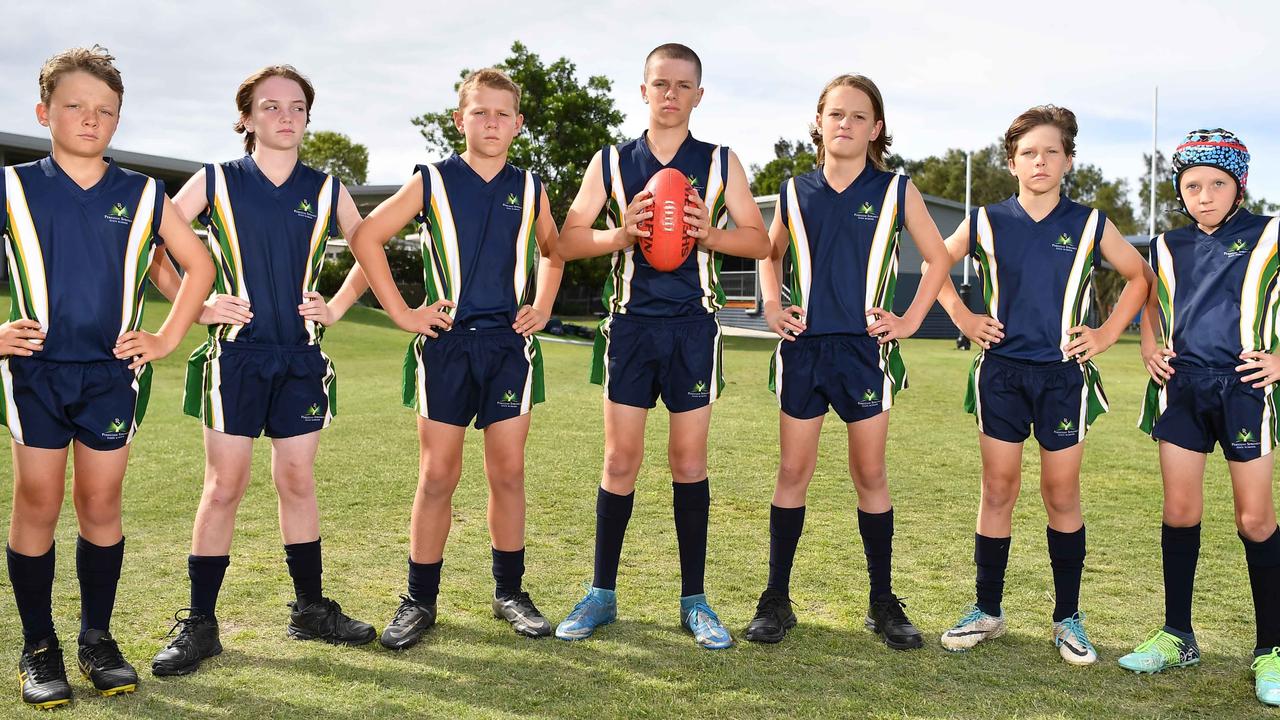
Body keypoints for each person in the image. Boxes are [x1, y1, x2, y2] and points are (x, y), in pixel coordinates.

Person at [0, 46, 214, 707]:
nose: (90, 119)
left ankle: (97, 638)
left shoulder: (144, 194)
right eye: (75, 106)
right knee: (37, 502)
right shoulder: (13, 186)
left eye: (105, 110)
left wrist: (167, 336)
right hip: (35, 371)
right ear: (44, 111)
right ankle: (39, 647)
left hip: (110, 377)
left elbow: (198, 268)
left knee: (100, 505)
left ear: (118, 119)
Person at [149, 65, 375, 677]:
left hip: (300, 357)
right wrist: (194, 307)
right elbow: (150, 244)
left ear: (308, 116)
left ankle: (309, 608)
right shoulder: (217, 181)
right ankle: (199, 623)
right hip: (237, 357)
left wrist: (338, 305)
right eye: (269, 106)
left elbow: (369, 248)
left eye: (296, 106)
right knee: (224, 485)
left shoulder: (327, 189)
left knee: (297, 481)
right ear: (245, 117)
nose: (284, 116)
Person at [553, 43, 769, 650]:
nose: (670, 94)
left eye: (682, 85)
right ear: (642, 91)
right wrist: (621, 232)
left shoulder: (722, 162)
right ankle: (601, 593)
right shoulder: (612, 163)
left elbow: (760, 242)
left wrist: (710, 233)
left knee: (688, 463)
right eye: (659, 84)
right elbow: (566, 241)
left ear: (699, 95)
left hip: (693, 329)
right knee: (620, 462)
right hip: (630, 327)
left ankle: (695, 600)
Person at [348, 68, 563, 649]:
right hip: (446, 346)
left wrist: (541, 304)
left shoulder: (532, 186)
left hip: (507, 348)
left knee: (509, 472)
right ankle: (419, 600)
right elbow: (366, 237)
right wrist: (401, 312)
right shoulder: (432, 181)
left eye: (502, 114)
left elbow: (555, 250)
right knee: (438, 474)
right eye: (479, 112)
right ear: (459, 119)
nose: (491, 123)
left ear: (518, 124)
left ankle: (510, 592)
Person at [932, 106, 1149, 664]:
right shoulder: (985, 219)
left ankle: (1067, 618)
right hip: (1001, 374)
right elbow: (936, 264)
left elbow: (1139, 277)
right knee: (998, 490)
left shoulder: (1090, 222)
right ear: (1012, 163)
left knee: (1061, 494)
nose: (1041, 161)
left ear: (1068, 161)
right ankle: (987, 610)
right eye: (1029, 152)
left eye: (1052, 151)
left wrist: (1103, 334)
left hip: (1062, 378)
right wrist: (962, 316)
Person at [743, 74, 950, 649]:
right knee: (792, 473)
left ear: (876, 128)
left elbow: (938, 259)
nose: (846, 125)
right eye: (836, 114)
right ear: (818, 121)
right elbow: (770, 252)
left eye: (859, 117)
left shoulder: (897, 190)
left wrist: (908, 321)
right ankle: (776, 600)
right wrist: (770, 302)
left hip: (864, 352)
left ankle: (883, 603)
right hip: (805, 350)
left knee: (870, 475)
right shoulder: (792, 190)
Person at [1118, 129, 1280, 707]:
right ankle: (1178, 635)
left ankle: (1272, 648)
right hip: (1181, 389)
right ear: (1179, 190)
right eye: (1192, 186)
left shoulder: (1270, 234)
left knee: (1255, 518)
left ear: (1239, 185)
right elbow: (1150, 304)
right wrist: (1147, 344)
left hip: (1244, 389)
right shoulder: (1165, 246)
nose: (1204, 195)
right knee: (1180, 510)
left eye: (1217, 183)